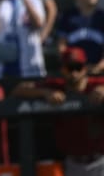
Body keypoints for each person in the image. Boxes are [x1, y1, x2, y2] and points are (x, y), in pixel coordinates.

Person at [12, 47, 104, 176]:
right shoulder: (56, 85)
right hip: (72, 163)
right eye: (69, 68)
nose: (74, 73)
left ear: (85, 68)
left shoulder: (98, 84)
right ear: (62, 69)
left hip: (100, 161)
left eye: (78, 67)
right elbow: (18, 90)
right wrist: (45, 93)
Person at [57, 0, 104, 72]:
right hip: (74, 72)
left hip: (99, 74)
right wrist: (71, 67)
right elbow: (62, 46)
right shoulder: (67, 17)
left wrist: (98, 67)